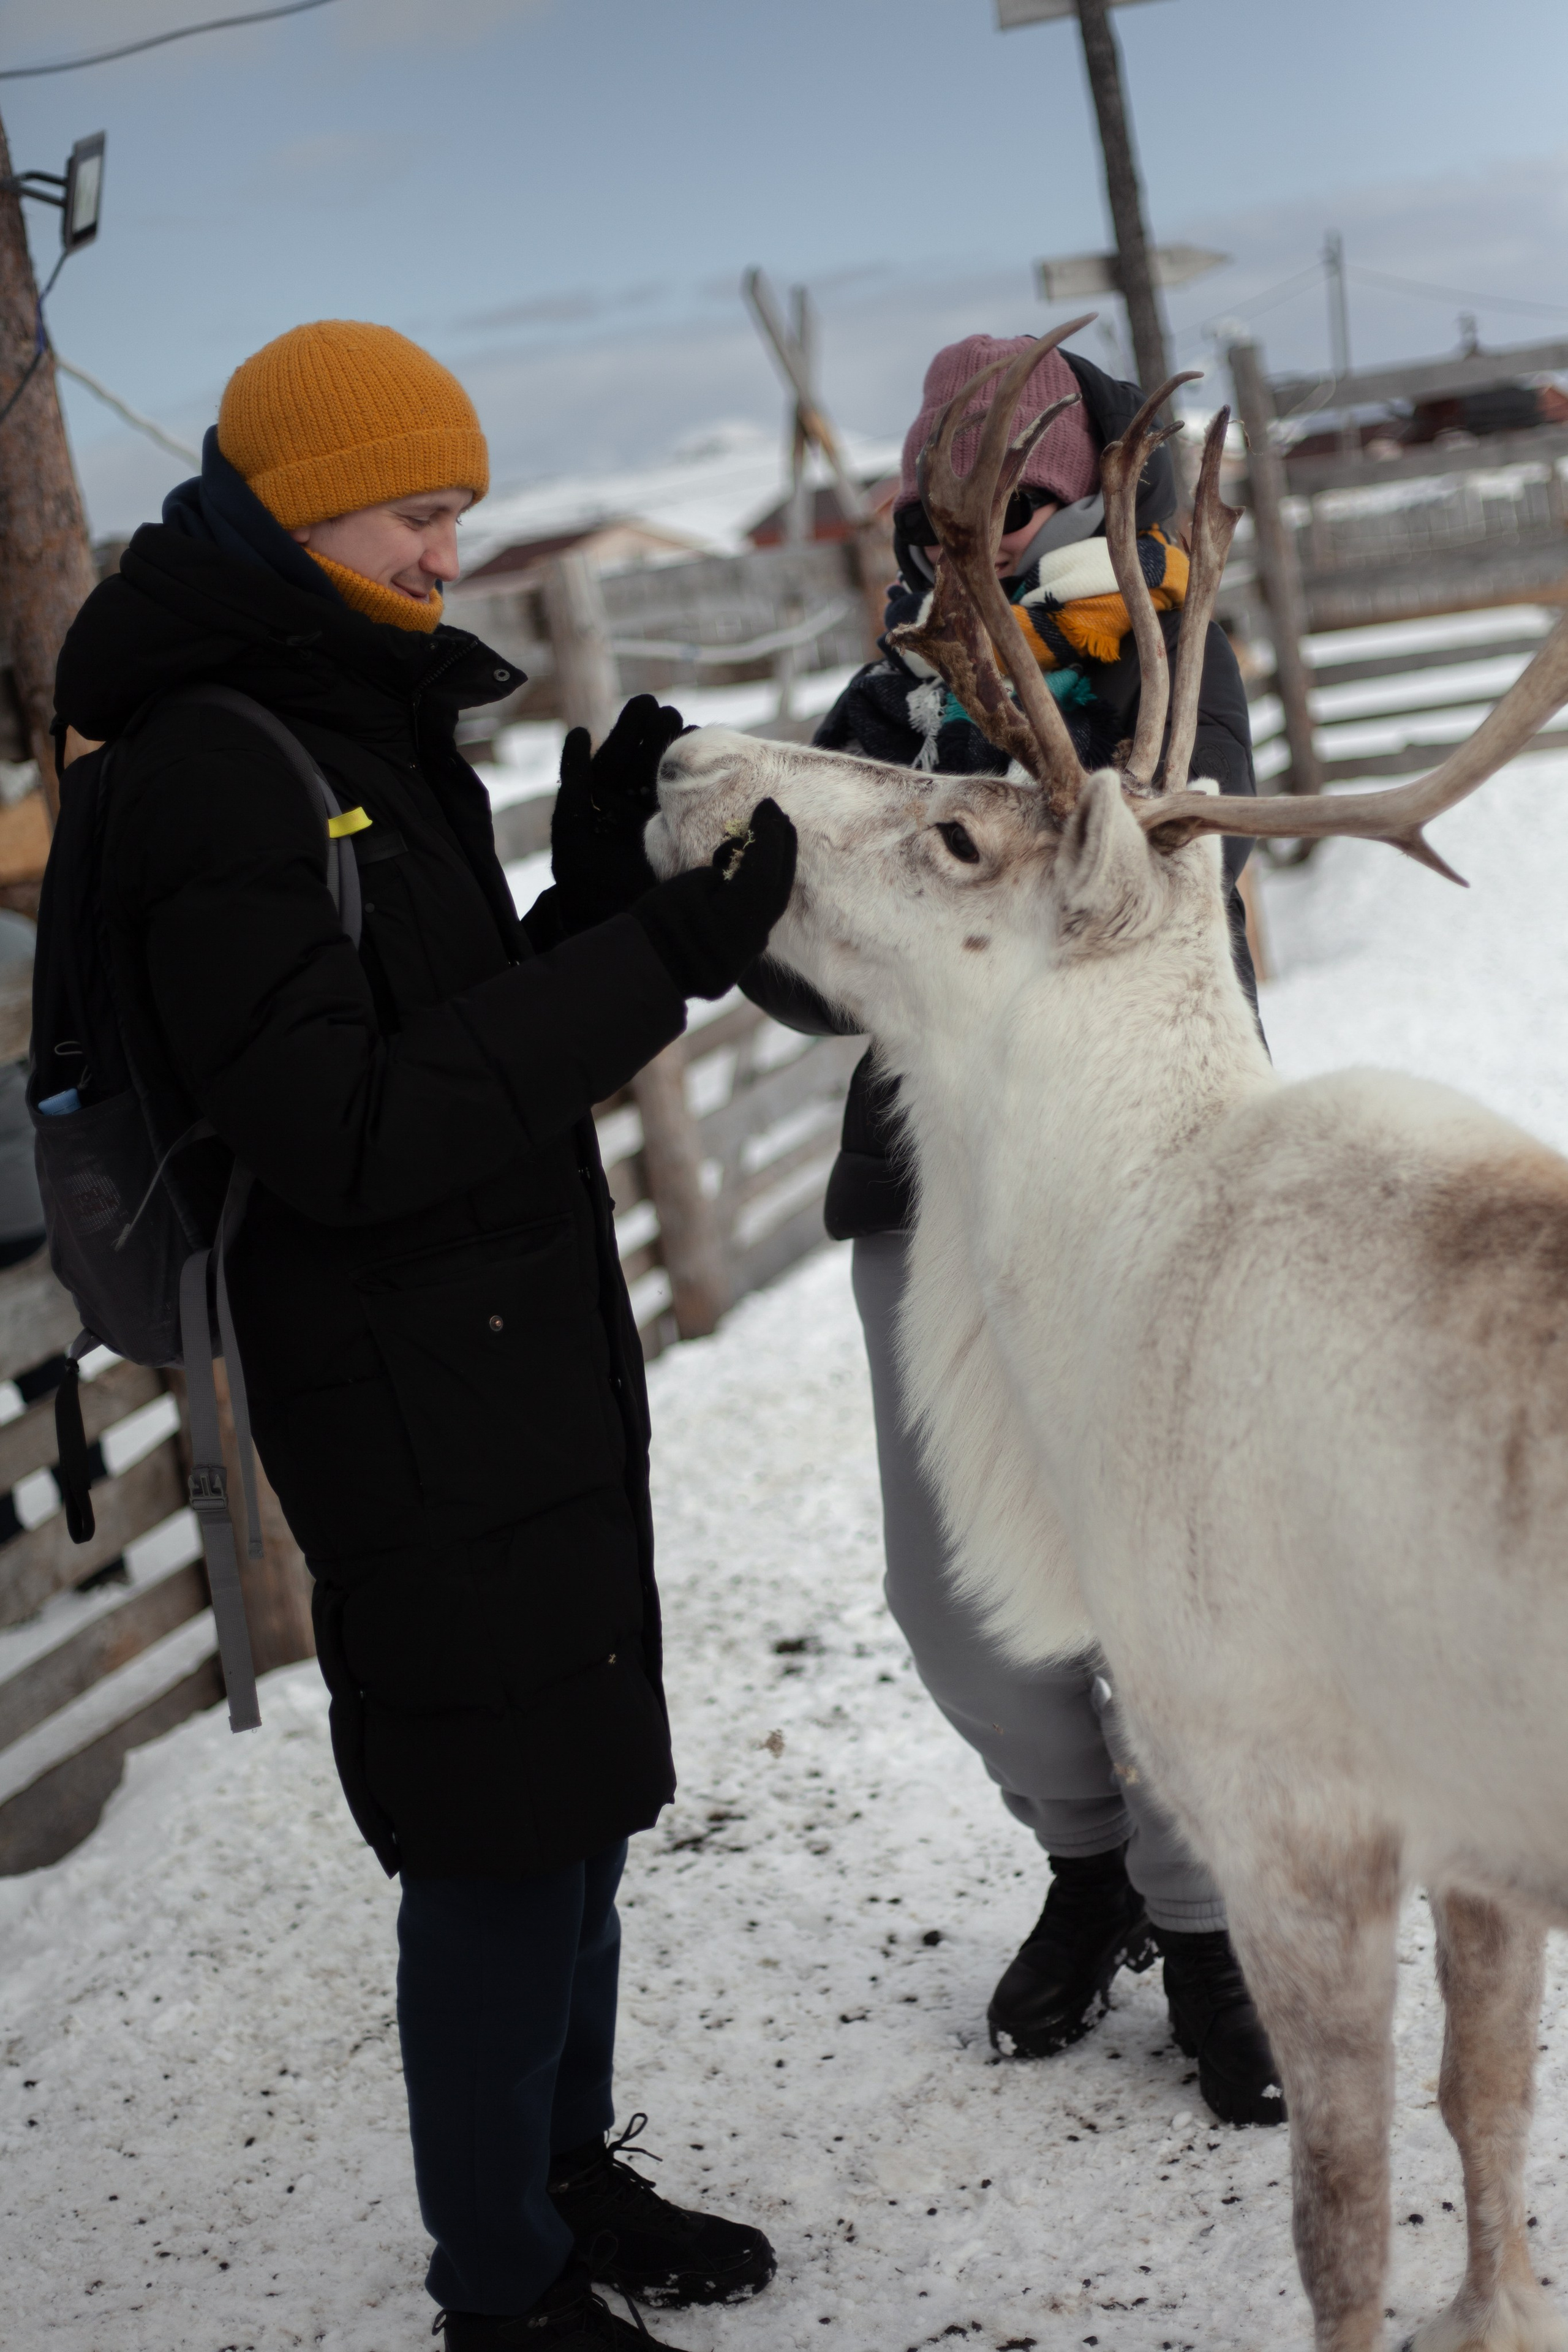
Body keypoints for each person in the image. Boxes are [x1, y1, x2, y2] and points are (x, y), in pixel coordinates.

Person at [50, 320, 801, 2350]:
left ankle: (560, 2175)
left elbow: (448, 1043)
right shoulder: (222, 764)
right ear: (301, 517)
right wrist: (654, 963)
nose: (448, 548)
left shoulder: (356, 720)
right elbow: (343, 1131)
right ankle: (505, 2290)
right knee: (493, 1840)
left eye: (462, 504)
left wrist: (592, 877)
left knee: (573, 1798)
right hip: (402, 1385)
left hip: (504, 1348)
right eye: (412, 509)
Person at [742, 333, 1285, 2130]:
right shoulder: (895, 674)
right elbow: (808, 966)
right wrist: (906, 736)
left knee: (1167, 1583)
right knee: (957, 1604)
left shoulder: (1163, 634)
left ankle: (1211, 1932)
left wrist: (1038, 674)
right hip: (932, 1197)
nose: (973, 535)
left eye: (1018, 502)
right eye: (946, 505)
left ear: (1082, 489)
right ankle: (1092, 1867)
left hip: (1150, 1183)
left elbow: (1147, 837)